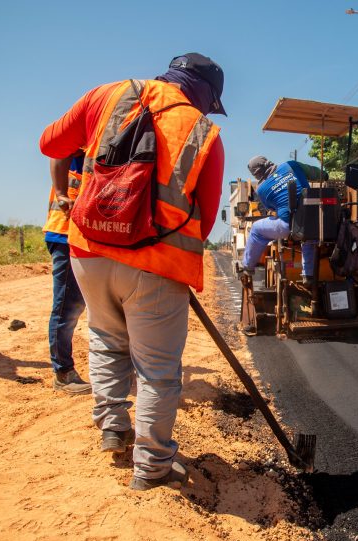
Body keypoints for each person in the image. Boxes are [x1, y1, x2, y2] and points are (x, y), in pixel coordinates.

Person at [39, 52, 225, 491]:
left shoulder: (106, 95)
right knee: (157, 371)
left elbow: (51, 145)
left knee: (105, 340)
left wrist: (67, 190)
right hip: (156, 264)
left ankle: (113, 428)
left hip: (88, 249)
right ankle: (153, 468)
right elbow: (208, 217)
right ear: (204, 94)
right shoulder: (205, 133)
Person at [42, 152, 90, 395]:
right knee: (66, 307)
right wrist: (61, 194)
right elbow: (58, 152)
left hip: (84, 235)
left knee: (78, 305)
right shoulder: (79, 142)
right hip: (65, 234)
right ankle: (63, 373)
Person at [240, 156, 325, 286]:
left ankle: (248, 267)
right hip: (315, 219)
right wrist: (325, 175)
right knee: (308, 233)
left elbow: (272, 208)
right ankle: (308, 275)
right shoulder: (291, 165)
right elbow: (314, 172)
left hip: (288, 225)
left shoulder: (261, 190)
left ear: (256, 174)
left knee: (256, 229)